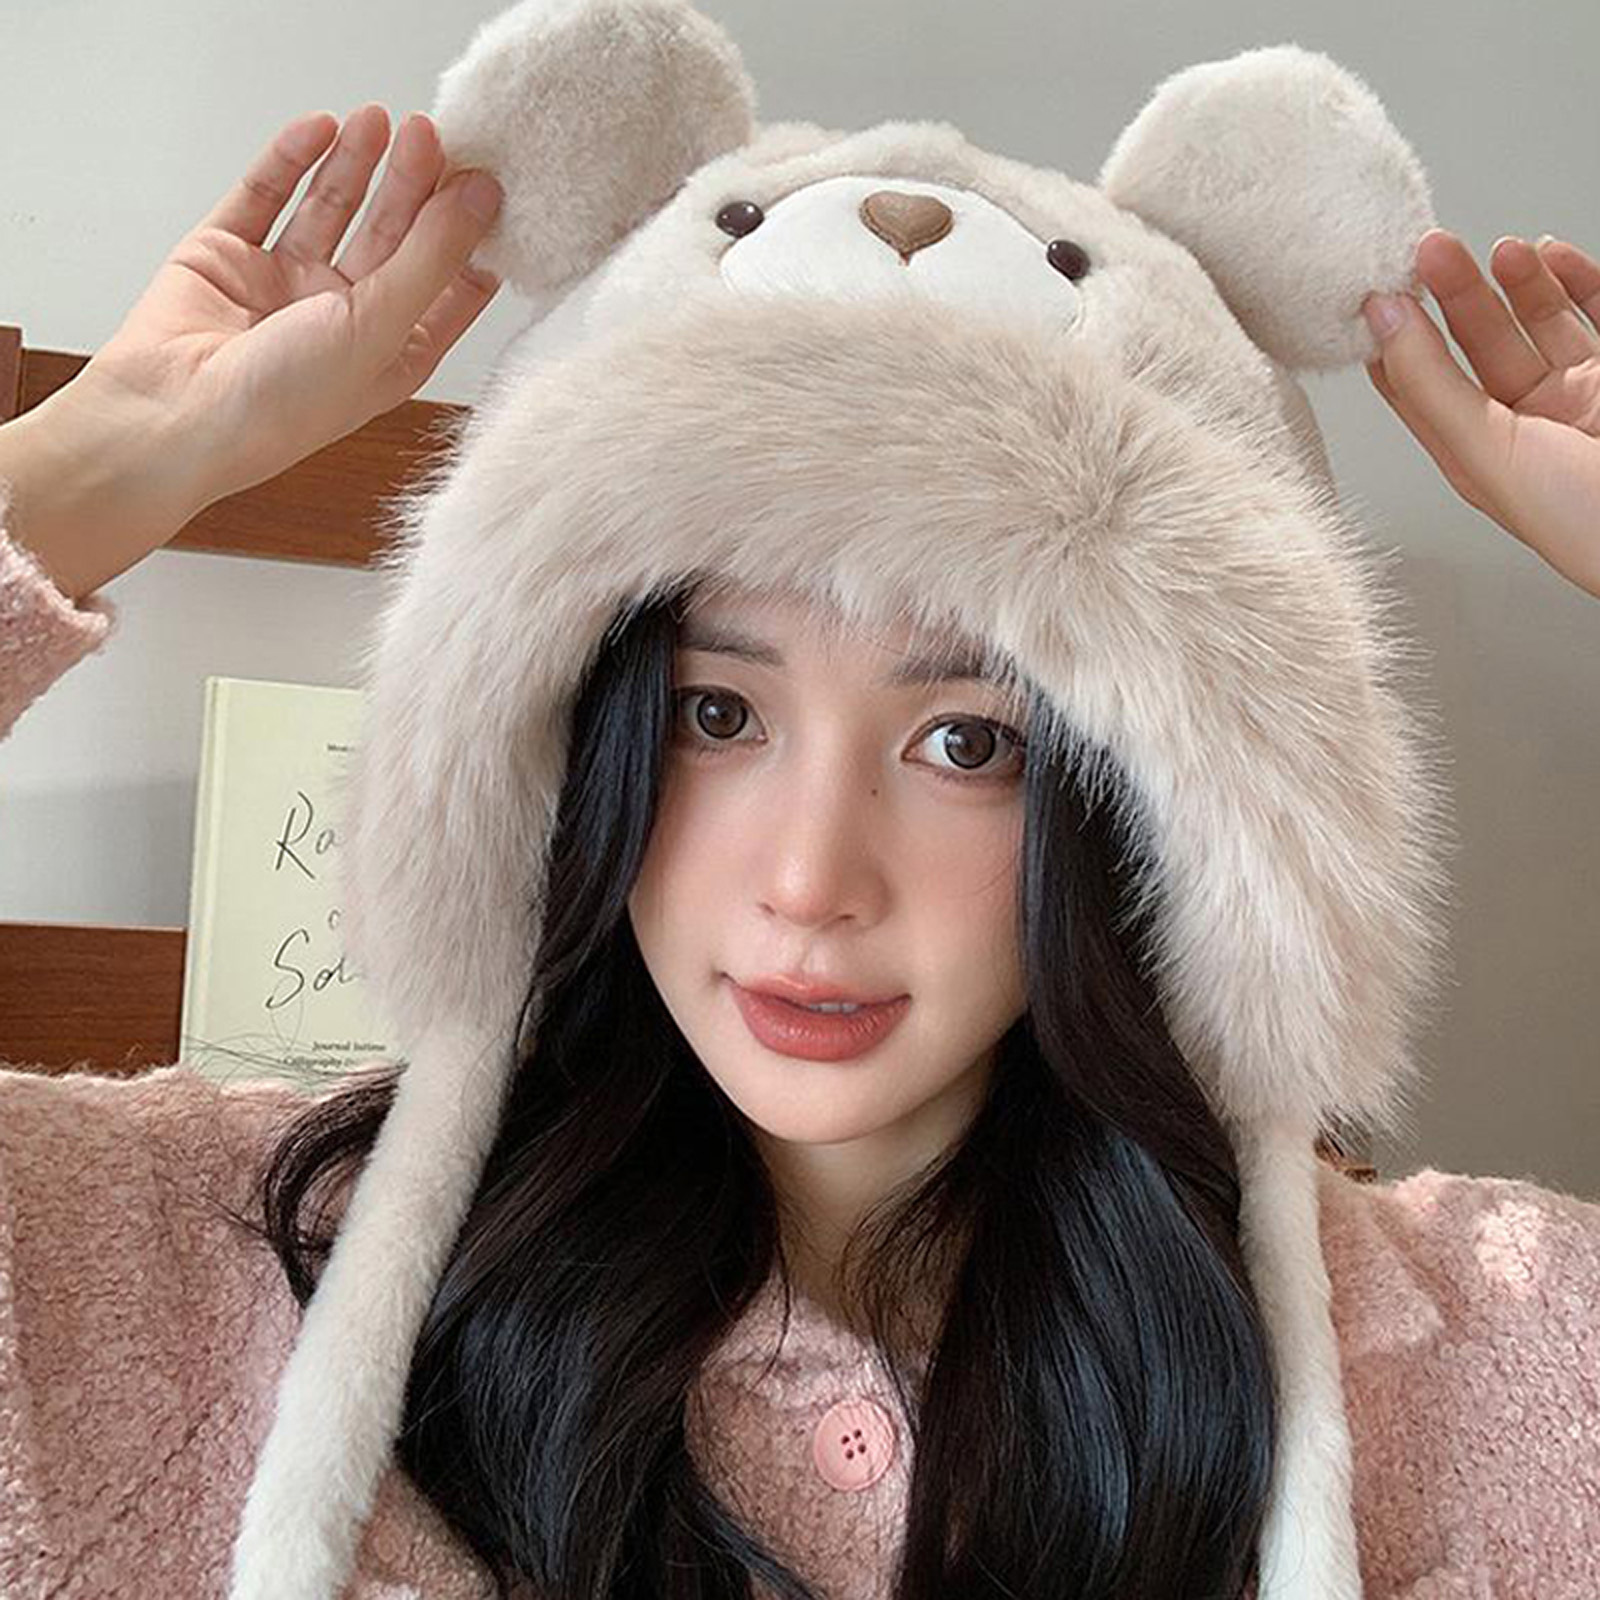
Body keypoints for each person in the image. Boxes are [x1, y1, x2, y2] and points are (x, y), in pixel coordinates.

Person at [1, 84, 1597, 1600]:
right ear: (568, 736)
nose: (808, 883)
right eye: (717, 714)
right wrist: (106, 455)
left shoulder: (1472, 1356)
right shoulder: (181, 1271)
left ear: (1156, 816)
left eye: (968, 742)